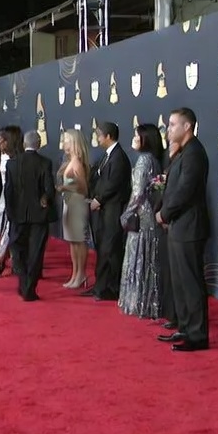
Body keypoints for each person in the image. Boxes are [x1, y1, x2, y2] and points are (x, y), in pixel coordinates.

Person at [157, 108, 211, 351]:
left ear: (187, 126)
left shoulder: (194, 153)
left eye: (172, 124)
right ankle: (186, 328)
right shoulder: (183, 152)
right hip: (179, 226)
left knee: (191, 282)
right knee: (179, 281)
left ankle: (197, 335)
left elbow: (185, 190)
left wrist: (164, 214)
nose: (168, 129)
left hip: (190, 227)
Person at [119, 123, 168, 320]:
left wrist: (126, 214)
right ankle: (150, 303)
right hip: (151, 213)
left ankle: (137, 302)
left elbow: (138, 193)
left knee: (138, 256)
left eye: (136, 135)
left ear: (145, 139)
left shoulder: (143, 160)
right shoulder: (154, 159)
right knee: (149, 258)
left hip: (141, 215)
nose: (133, 138)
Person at [6, 131, 57, 300]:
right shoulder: (45, 162)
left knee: (17, 249)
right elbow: (49, 189)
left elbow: (8, 191)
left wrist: (10, 213)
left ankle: (23, 282)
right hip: (39, 216)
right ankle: (29, 287)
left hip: (18, 215)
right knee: (36, 252)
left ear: (23, 144)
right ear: (39, 144)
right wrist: (45, 198)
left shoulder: (12, 163)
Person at [85, 121, 132, 301]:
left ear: (108, 136)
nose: (97, 138)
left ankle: (110, 288)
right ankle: (100, 286)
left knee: (110, 249)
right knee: (103, 248)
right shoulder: (107, 156)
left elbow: (114, 183)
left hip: (113, 210)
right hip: (104, 210)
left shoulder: (119, 157)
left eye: (99, 135)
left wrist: (99, 200)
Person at [57, 129, 90, 288]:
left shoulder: (77, 163)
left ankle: (81, 274)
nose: (64, 143)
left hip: (77, 204)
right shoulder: (70, 161)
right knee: (72, 241)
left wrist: (65, 187)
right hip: (69, 203)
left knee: (79, 241)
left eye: (67, 140)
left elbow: (84, 188)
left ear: (74, 142)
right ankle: (75, 274)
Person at [0, 125, 22, 278]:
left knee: (10, 229)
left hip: (15, 197)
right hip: (2, 196)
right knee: (1, 227)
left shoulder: (18, 157)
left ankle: (2, 260)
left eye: (1, 140)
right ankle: (5, 257)